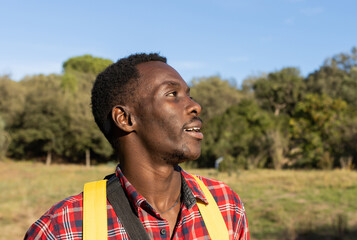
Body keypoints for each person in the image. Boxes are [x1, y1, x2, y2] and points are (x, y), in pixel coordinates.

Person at [24, 53, 249, 239]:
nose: (196, 107)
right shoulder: (62, 229)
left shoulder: (225, 205)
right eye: (172, 94)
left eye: (189, 95)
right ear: (125, 119)